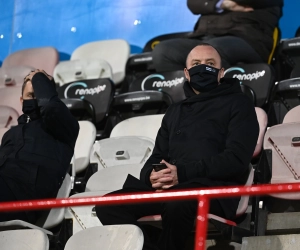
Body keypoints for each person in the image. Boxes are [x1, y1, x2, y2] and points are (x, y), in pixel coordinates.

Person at [96, 44, 259, 250]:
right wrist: (151, 176)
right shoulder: (175, 111)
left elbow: (236, 160)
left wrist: (181, 173)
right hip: (172, 189)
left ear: (221, 73)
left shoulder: (239, 103)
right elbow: (156, 157)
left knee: (178, 199)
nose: (203, 68)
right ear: (186, 73)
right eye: (196, 64)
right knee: (107, 206)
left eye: (210, 64)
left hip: (214, 189)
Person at [0, 69, 79, 223]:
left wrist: (37, 77)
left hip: (24, 199)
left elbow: (50, 107)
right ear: (21, 101)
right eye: (30, 96)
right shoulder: (11, 134)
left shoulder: (65, 127)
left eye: (38, 96)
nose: (35, 101)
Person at [152, 0, 283, 71]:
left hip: (246, 39)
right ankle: (185, 102)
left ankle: (220, 104)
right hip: (204, 36)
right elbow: (193, 3)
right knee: (164, 51)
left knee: (211, 50)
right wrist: (222, 3)